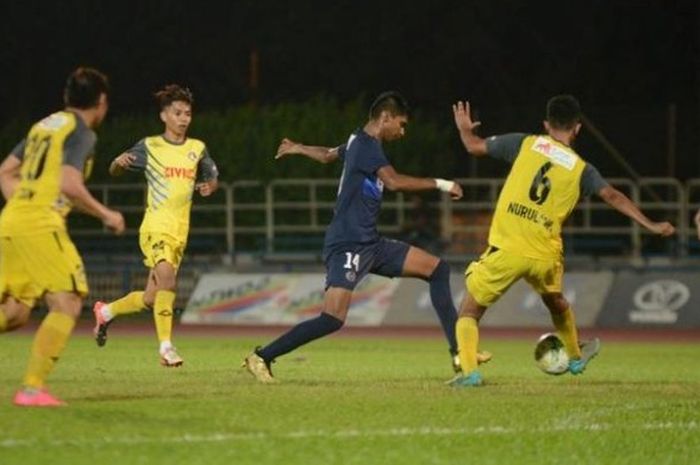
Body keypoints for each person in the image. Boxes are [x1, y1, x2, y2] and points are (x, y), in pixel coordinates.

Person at [243, 91, 490, 383]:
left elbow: (326, 156)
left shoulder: (355, 142)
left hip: (370, 243)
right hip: (347, 243)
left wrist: (297, 147)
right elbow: (394, 182)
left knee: (438, 269)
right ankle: (262, 356)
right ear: (385, 118)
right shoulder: (367, 145)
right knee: (332, 318)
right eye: (401, 123)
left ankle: (459, 353)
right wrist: (442, 184)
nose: (402, 130)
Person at [449, 95, 675, 387]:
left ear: (546, 124)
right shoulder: (582, 169)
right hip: (545, 254)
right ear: (577, 128)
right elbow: (612, 196)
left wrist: (465, 128)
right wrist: (651, 225)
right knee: (555, 301)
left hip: (508, 249)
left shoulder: (525, 143)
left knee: (469, 312)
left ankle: (469, 374)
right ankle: (576, 356)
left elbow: (473, 146)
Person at [0, 67, 125, 406]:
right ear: (101, 102)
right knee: (68, 299)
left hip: (12, 220)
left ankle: (32, 388)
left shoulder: (45, 125)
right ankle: (31, 388)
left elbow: (5, 171)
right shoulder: (81, 132)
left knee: (14, 313)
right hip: (39, 223)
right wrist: (106, 214)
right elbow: (69, 184)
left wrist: (24, 201)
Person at [91, 84, 219, 367]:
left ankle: (106, 312)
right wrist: (118, 163)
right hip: (155, 227)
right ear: (164, 115)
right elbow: (114, 168)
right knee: (169, 282)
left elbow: (211, 172)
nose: (184, 118)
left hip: (179, 231)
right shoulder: (150, 146)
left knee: (152, 298)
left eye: (187, 113)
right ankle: (166, 348)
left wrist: (210, 185)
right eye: (177, 113)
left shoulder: (197, 148)